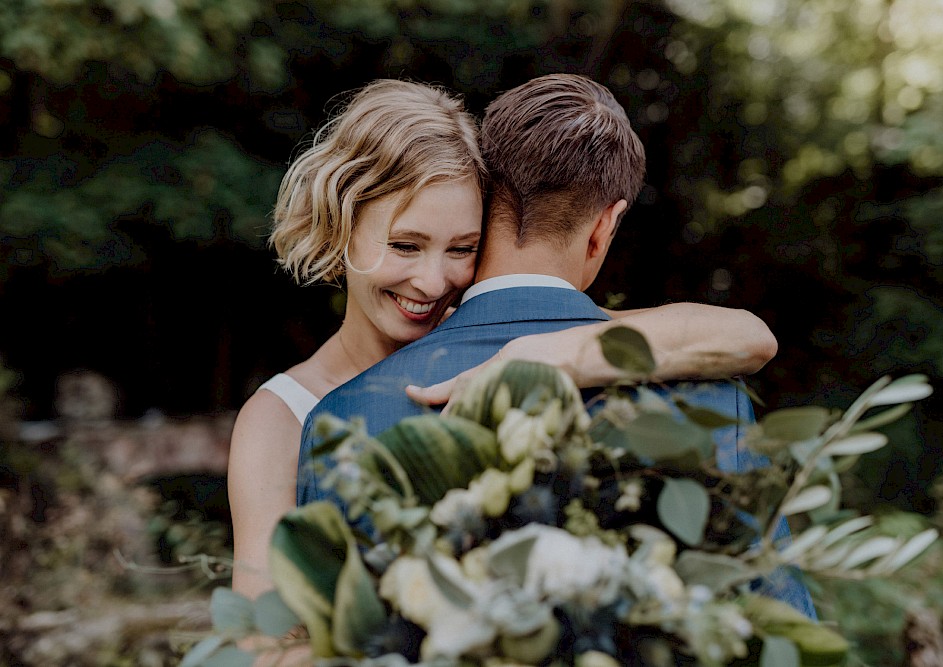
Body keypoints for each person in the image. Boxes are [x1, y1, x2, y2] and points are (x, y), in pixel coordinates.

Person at [228, 78, 779, 602]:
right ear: (341, 222)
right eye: (404, 245)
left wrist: (547, 355)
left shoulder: (514, 341)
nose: (433, 281)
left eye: (462, 248)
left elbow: (742, 335)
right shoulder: (285, 418)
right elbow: (267, 641)